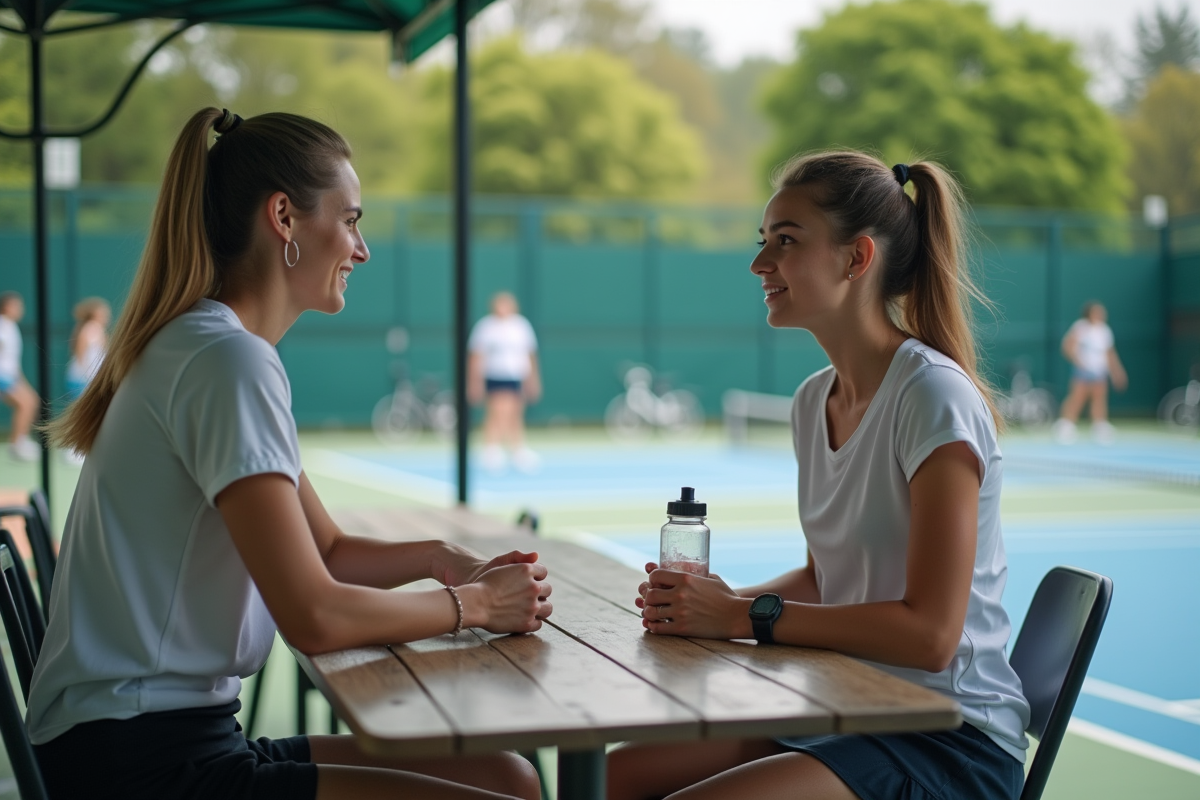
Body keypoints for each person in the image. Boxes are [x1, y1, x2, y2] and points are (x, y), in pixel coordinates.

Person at [31, 107, 552, 800]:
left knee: (507, 775)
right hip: (144, 764)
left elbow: (327, 551)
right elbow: (315, 616)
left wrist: (439, 560)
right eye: (351, 219)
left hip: (155, 737)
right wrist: (475, 604)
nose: (361, 248)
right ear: (284, 217)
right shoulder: (228, 361)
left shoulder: (208, 346)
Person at [610, 153, 1030, 800]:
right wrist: (709, 607)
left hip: (947, 740)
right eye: (763, 242)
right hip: (849, 706)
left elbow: (931, 636)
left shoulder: (933, 398)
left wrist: (744, 615)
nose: (759, 264)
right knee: (617, 776)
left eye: (786, 241)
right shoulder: (813, 401)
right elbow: (820, 579)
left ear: (857, 258)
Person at [467, 292, 542, 472]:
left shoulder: (521, 326)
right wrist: (474, 382)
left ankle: (517, 450)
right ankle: (491, 450)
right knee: (497, 411)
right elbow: (475, 356)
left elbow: (531, 355)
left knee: (515, 412)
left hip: (516, 376)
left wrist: (533, 380)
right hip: (495, 376)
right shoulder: (485, 327)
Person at [1052, 301, 1127, 444]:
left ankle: (1099, 426)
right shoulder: (1081, 327)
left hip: (1100, 372)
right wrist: (1080, 363)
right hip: (1082, 372)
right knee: (1077, 397)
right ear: (1090, 313)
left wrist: (1117, 372)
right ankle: (1066, 426)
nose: (1101, 314)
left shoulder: (1105, 330)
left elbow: (1110, 354)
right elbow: (1067, 346)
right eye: (1098, 311)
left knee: (1099, 398)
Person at [0, 290, 42, 462]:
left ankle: (19, 442)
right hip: (3, 376)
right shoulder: (2, 324)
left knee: (31, 401)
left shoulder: (11, 326)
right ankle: (17, 445)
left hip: (10, 376)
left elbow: (13, 361)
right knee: (25, 404)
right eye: (17, 305)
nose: (21, 309)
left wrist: (22, 381)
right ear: (7, 306)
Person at [65, 297, 112, 398]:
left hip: (89, 379)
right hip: (82, 380)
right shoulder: (89, 329)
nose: (107, 317)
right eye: (103, 314)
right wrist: (87, 376)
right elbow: (80, 355)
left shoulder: (99, 330)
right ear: (94, 315)